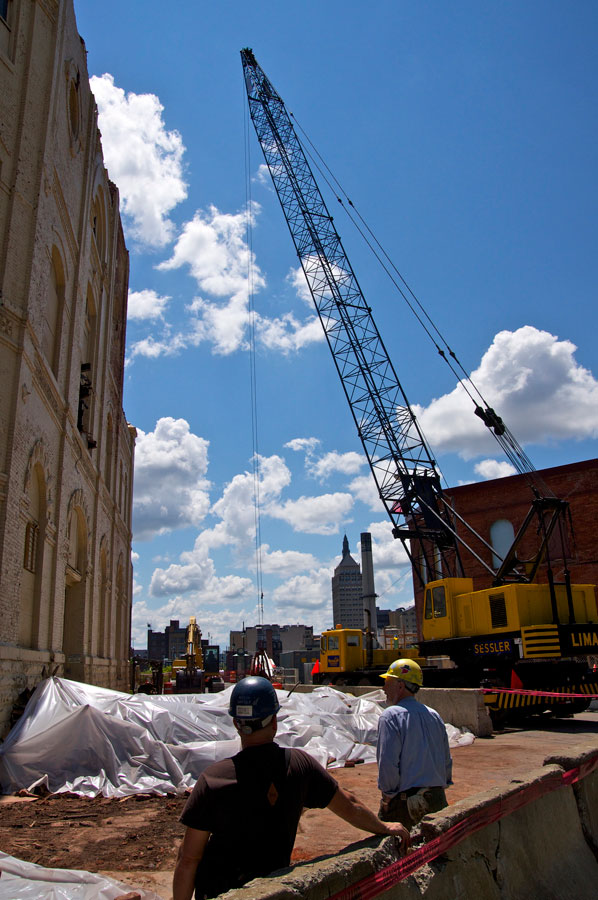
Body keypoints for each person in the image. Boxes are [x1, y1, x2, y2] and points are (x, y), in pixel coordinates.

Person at [173, 676, 410, 900]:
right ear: (274, 721)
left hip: (218, 892)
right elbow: (349, 805)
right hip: (272, 892)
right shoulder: (300, 767)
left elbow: (188, 858)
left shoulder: (212, 779)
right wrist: (384, 827)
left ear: (236, 723)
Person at [376, 658, 452, 829]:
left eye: (387, 682)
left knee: (395, 850)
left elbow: (388, 763)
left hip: (405, 803)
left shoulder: (390, 716)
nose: (384, 688)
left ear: (400, 686)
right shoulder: (434, 715)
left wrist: (388, 797)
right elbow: (446, 758)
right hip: (437, 799)